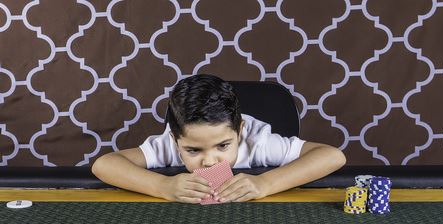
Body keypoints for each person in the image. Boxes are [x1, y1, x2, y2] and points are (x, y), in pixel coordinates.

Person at [92, 74, 346, 203]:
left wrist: (266, 183)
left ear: (241, 130)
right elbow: (103, 164)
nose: (210, 161)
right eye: (193, 151)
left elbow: (333, 156)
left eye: (223, 145)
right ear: (175, 139)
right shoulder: (169, 145)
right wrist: (163, 187)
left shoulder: (258, 141)